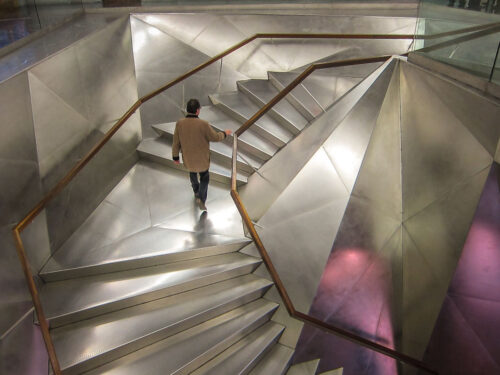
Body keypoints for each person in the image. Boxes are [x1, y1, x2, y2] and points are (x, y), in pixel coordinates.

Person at [172, 98, 232, 211]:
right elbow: (215, 137)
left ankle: (195, 191)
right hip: (202, 160)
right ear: (197, 111)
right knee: (204, 178)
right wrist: (225, 133)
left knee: (192, 173)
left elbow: (176, 142)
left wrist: (175, 157)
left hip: (188, 159)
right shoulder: (203, 124)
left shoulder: (179, 124)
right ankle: (201, 197)